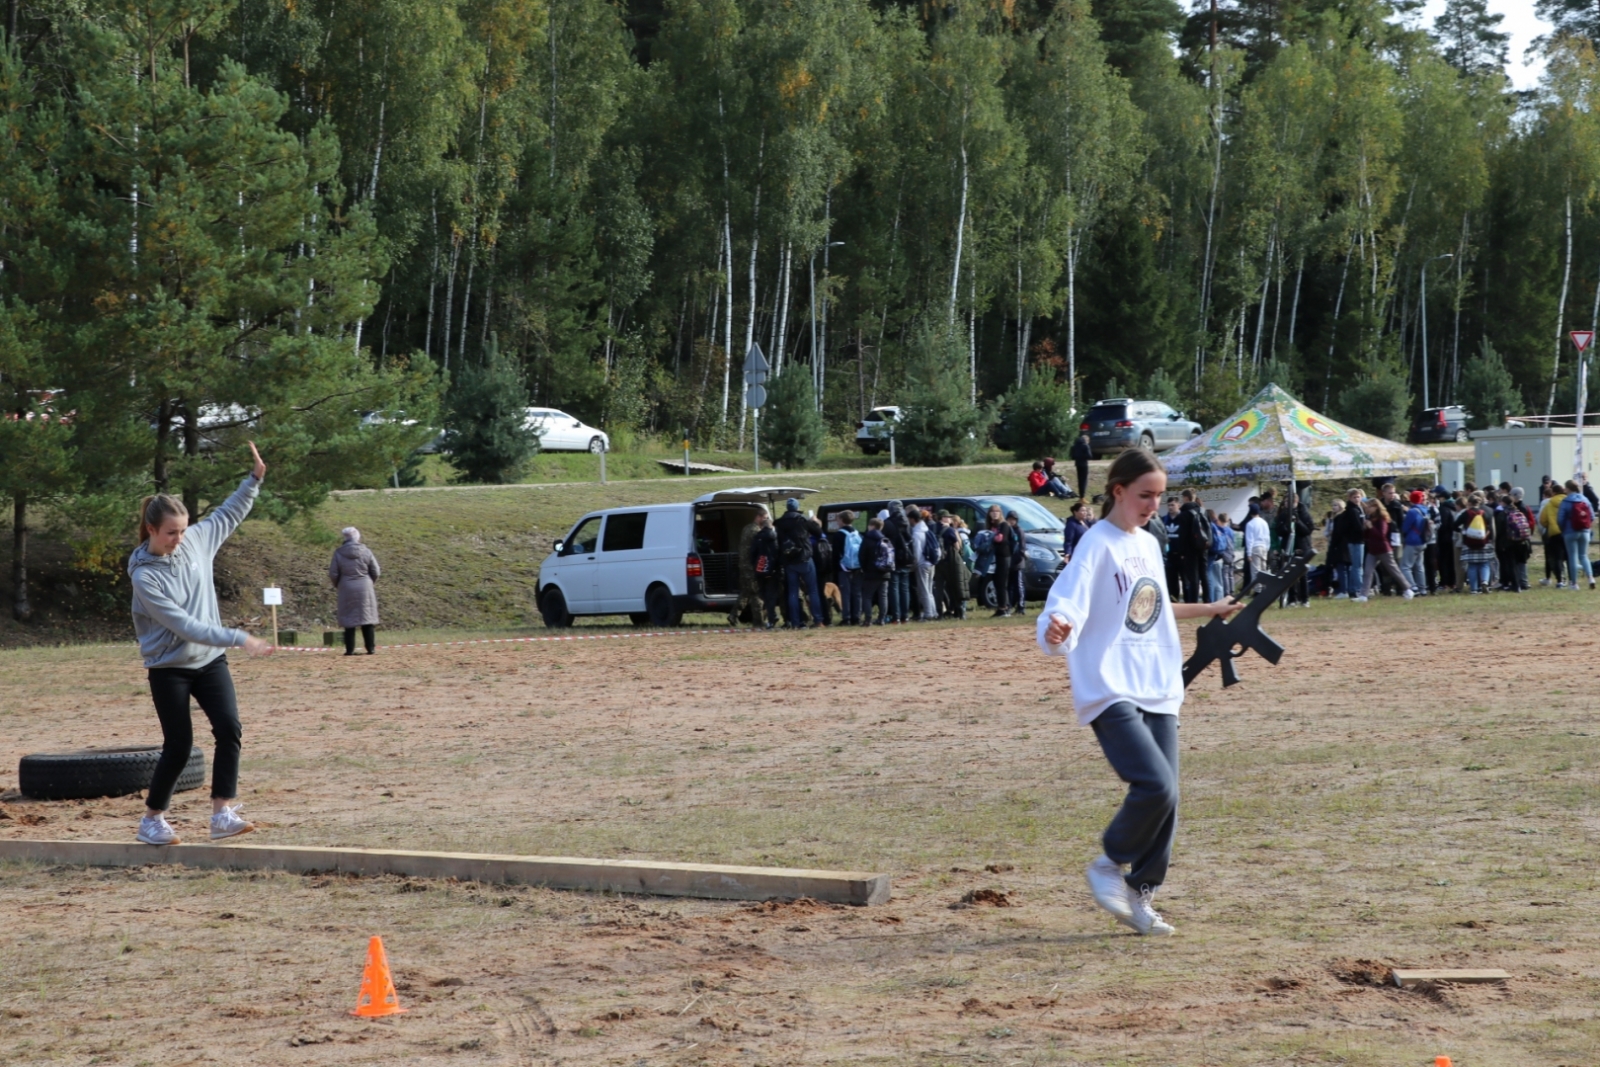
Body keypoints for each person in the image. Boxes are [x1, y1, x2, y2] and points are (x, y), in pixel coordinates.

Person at [1037, 448, 1242, 936]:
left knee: (1169, 799)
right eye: (1145, 495)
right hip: (1111, 685)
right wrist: (1056, 626)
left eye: (1159, 496)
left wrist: (1210, 608)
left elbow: (1152, 606)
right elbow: (1067, 598)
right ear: (1119, 491)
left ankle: (1140, 894)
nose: (1153, 505)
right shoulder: (1097, 543)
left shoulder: (1148, 542)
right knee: (1155, 785)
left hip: (1156, 684)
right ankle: (1110, 863)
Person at [129, 443, 272, 847]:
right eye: (171, 532)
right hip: (169, 666)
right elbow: (186, 626)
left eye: (184, 530)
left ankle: (222, 814)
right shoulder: (145, 578)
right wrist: (239, 637)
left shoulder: (196, 541)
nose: (179, 538)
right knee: (179, 745)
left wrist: (254, 480)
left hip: (210, 661)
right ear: (152, 530)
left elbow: (228, 514)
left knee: (229, 729)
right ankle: (152, 820)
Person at [329, 527, 382, 654]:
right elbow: (376, 571)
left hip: (346, 587)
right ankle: (371, 648)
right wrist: (369, 582)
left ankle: (349, 650)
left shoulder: (338, 553)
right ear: (358, 537)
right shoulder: (366, 551)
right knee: (367, 619)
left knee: (349, 620)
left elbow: (333, 573)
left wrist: (340, 585)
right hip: (365, 586)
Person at [775, 498, 825, 628]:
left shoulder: (779, 523)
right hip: (805, 558)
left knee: (793, 592)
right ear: (797, 507)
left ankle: (796, 622)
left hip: (789, 561)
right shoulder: (802, 520)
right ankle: (818, 620)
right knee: (812, 590)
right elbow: (819, 533)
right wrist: (815, 522)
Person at [1361, 498, 1413, 599]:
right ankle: (1363, 595)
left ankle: (1408, 589)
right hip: (1372, 550)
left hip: (1384, 549)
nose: (1367, 509)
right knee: (1367, 572)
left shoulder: (1382, 518)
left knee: (1394, 570)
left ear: (1376, 507)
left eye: (1369, 507)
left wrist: (1371, 527)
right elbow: (1367, 536)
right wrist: (1365, 528)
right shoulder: (1370, 518)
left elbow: (1382, 535)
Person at [1274, 491, 1314, 605]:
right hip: (1288, 547)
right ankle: (1292, 599)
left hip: (1302, 546)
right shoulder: (1283, 514)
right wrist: (1286, 526)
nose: (1286, 504)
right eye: (1285, 502)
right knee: (1290, 574)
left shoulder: (1304, 512)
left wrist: (1298, 522)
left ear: (1295, 502)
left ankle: (1305, 599)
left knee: (1302, 573)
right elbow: (1279, 531)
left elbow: (1308, 530)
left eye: (1289, 501)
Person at [1558, 479, 1596, 589]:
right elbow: (1592, 516)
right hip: (1585, 531)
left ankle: (1574, 583)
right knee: (1584, 556)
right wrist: (1587, 528)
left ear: (1568, 489)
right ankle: (1590, 578)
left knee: (1572, 557)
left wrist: (1563, 529)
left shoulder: (1565, 501)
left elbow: (1560, 519)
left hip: (1570, 531)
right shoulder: (1585, 500)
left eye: (1565, 488)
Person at [1456, 492, 1496, 593]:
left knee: (1472, 566)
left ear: (1469, 503)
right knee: (1485, 564)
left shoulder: (1466, 513)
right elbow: (1490, 528)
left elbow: (1454, 525)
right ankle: (1485, 582)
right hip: (1484, 542)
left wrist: (1464, 532)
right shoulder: (1485, 513)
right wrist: (1489, 538)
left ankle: (1473, 589)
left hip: (1469, 542)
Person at [748, 513, 782, 628]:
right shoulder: (775, 537)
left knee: (764, 594)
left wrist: (756, 566)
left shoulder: (757, 537)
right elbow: (778, 553)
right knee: (772, 594)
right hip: (772, 571)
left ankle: (772, 616)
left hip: (760, 570)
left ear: (762, 526)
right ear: (771, 526)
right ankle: (772, 616)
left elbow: (752, 554)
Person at [1175, 489, 1208, 604]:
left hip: (1190, 549)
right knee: (1204, 574)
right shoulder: (1203, 511)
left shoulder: (1184, 514)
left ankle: (1193, 601)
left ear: (1186, 498)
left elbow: (1182, 535)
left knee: (1193, 577)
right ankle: (1207, 599)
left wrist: (1181, 551)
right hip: (1203, 546)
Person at [828, 511, 862, 626]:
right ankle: (856, 617)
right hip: (857, 567)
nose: (837, 522)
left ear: (842, 520)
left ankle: (846, 617)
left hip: (844, 568)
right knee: (857, 593)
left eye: (838, 520)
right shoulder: (857, 533)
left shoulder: (839, 535)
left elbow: (836, 555)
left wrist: (835, 570)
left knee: (845, 593)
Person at [1336, 489, 1369, 601]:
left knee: (1356, 566)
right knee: (1357, 566)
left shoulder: (1359, 509)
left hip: (1358, 540)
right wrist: (1365, 528)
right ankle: (1357, 589)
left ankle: (1353, 589)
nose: (1357, 499)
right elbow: (1357, 527)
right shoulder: (1353, 511)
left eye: (1358, 497)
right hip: (1356, 541)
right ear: (1349, 498)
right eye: (1354, 497)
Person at [885, 500, 914, 623]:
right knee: (905, 588)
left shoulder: (887, 523)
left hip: (894, 559)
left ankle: (896, 616)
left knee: (894, 588)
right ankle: (905, 616)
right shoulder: (907, 522)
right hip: (907, 558)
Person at [858, 516, 891, 625]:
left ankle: (868, 619)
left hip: (871, 573)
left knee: (867, 596)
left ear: (872, 526)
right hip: (885, 572)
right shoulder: (886, 539)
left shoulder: (867, 539)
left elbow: (862, 556)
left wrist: (864, 569)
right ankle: (881, 619)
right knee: (883, 596)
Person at [936, 511, 967, 619]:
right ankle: (959, 611)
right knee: (955, 586)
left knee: (938, 588)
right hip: (950, 561)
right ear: (943, 518)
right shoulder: (949, 530)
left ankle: (939, 612)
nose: (950, 518)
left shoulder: (933, 528)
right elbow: (957, 546)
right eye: (947, 517)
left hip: (937, 562)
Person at [986, 503, 1015, 618]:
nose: (994, 513)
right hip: (995, 557)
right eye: (992, 511)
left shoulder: (1004, 525)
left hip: (1004, 556)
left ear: (1000, 513)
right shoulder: (991, 526)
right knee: (997, 583)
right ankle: (1002, 607)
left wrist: (990, 537)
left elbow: (1000, 539)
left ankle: (1004, 608)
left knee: (1002, 583)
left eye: (996, 511)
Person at [1399, 491, 1430, 596]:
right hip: (1423, 540)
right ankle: (1423, 589)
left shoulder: (1412, 512)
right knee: (1419, 566)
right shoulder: (1425, 510)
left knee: (1405, 566)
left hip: (1412, 541)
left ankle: (1413, 587)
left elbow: (1405, 527)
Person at [736, 516, 765, 628]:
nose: (765, 520)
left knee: (746, 592)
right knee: (756, 594)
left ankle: (733, 616)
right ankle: (758, 622)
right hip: (750, 567)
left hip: (742, 565)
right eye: (765, 518)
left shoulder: (746, 528)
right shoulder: (756, 530)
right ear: (759, 517)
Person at [911, 507, 939, 620]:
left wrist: (913, 567)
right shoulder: (927, 530)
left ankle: (928, 614)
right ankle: (933, 612)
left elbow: (916, 554)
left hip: (922, 565)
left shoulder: (916, 533)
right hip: (931, 563)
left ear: (912, 519)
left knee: (924, 591)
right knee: (930, 590)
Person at [1540, 481, 1568, 588]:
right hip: (1567, 532)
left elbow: (1542, 520)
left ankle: (1560, 580)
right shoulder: (1568, 501)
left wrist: (1550, 524)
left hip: (1554, 533)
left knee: (1557, 558)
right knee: (1569, 557)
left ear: (1554, 492)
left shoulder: (1549, 503)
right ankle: (1572, 581)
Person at [1243, 503, 1270, 587]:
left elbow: (1249, 540)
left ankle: (1258, 591)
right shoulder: (1264, 522)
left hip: (1255, 547)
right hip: (1264, 547)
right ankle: (1265, 589)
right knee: (1263, 569)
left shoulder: (1250, 524)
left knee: (1256, 571)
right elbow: (1267, 537)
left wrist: (1249, 553)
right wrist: (1267, 548)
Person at [1070, 433, 1093, 500]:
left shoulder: (1075, 446)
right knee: (1084, 480)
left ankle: (1081, 496)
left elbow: (1072, 456)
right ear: (1086, 440)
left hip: (1077, 464)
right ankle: (1083, 497)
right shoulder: (1085, 446)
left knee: (1080, 481)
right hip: (1084, 464)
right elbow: (1089, 456)